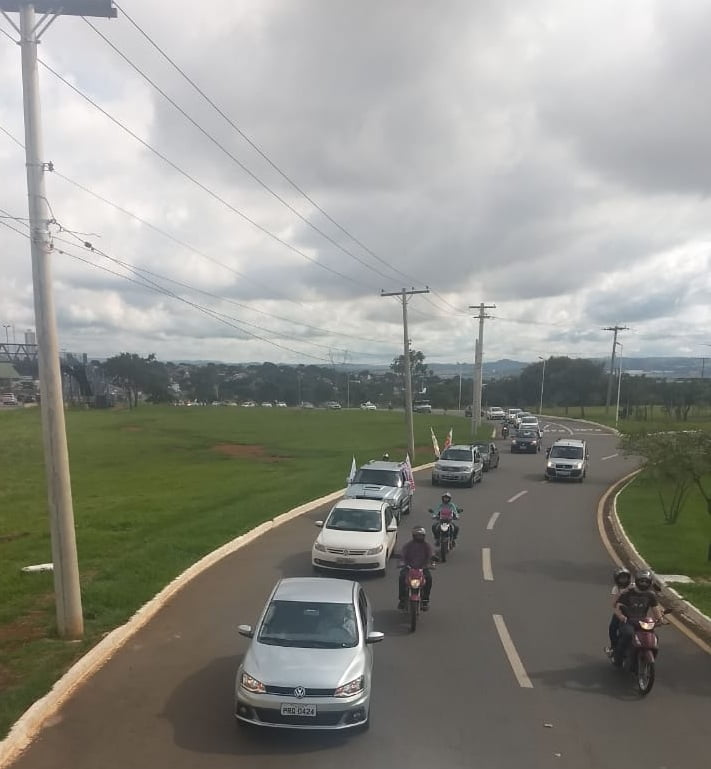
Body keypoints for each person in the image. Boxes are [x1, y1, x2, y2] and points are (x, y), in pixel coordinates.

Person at [612, 569, 663, 667]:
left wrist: (660, 619)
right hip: (628, 621)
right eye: (641, 581)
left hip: (642, 621)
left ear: (649, 583)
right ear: (637, 581)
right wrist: (621, 616)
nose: (643, 583)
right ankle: (618, 658)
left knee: (654, 637)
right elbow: (617, 608)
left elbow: (656, 609)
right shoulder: (627, 593)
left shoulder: (651, 595)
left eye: (646, 581)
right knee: (628, 634)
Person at [398, 526, 435, 611]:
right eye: (417, 535)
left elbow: (431, 554)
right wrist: (401, 562)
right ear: (413, 536)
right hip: (409, 568)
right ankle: (402, 599)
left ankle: (425, 599)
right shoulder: (408, 545)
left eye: (421, 535)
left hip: (423, 568)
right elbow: (402, 554)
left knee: (429, 578)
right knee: (402, 577)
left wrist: (432, 560)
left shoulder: (426, 546)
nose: (419, 537)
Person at [605, 567, 632, 655]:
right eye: (621, 578)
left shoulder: (633, 586)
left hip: (635, 612)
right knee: (612, 628)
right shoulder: (616, 589)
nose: (624, 580)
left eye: (625, 577)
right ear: (617, 579)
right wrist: (620, 594)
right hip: (621, 612)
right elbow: (614, 604)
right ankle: (614, 646)